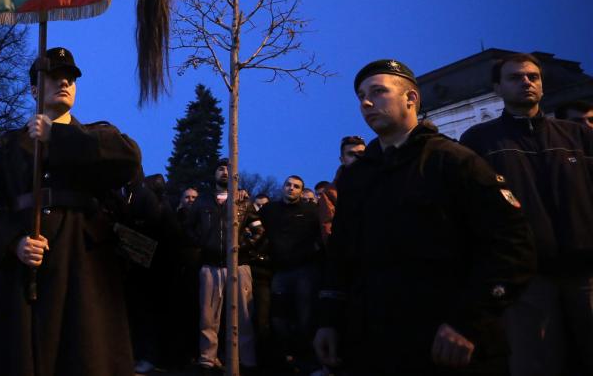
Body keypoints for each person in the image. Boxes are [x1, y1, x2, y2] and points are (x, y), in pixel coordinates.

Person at [314, 59, 536, 375]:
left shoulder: (455, 161)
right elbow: (342, 255)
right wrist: (328, 320)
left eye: (378, 91)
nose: (365, 102)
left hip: (444, 343)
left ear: (411, 99)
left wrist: (467, 322)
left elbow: (513, 247)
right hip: (374, 343)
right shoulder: (356, 177)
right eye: (361, 95)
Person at [0, 46, 142, 376]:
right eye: (54, 76)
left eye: (71, 77)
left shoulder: (97, 135)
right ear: (33, 89)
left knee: (85, 358)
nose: (65, 82)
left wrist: (57, 136)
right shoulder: (7, 145)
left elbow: (128, 161)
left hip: (85, 268)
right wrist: (12, 241)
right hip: (24, 271)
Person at [460, 53, 593, 376]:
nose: (526, 82)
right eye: (515, 77)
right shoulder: (479, 140)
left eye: (533, 76)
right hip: (524, 277)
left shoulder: (577, 137)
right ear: (497, 88)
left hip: (586, 271)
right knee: (535, 363)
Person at [185, 158, 257, 372]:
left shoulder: (243, 200)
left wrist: (242, 247)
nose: (224, 172)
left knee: (244, 316)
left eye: (229, 168)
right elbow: (188, 227)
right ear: (214, 174)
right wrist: (202, 244)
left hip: (239, 265)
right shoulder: (203, 201)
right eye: (220, 168)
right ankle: (208, 360)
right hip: (211, 265)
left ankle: (246, 361)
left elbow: (259, 230)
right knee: (209, 317)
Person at [260, 175, 322, 365]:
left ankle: (304, 358)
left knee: (305, 316)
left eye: (296, 186)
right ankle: (285, 357)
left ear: (301, 191)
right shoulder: (270, 210)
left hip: (304, 270)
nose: (291, 188)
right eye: (288, 185)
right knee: (278, 317)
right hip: (280, 270)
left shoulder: (311, 211)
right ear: (283, 187)